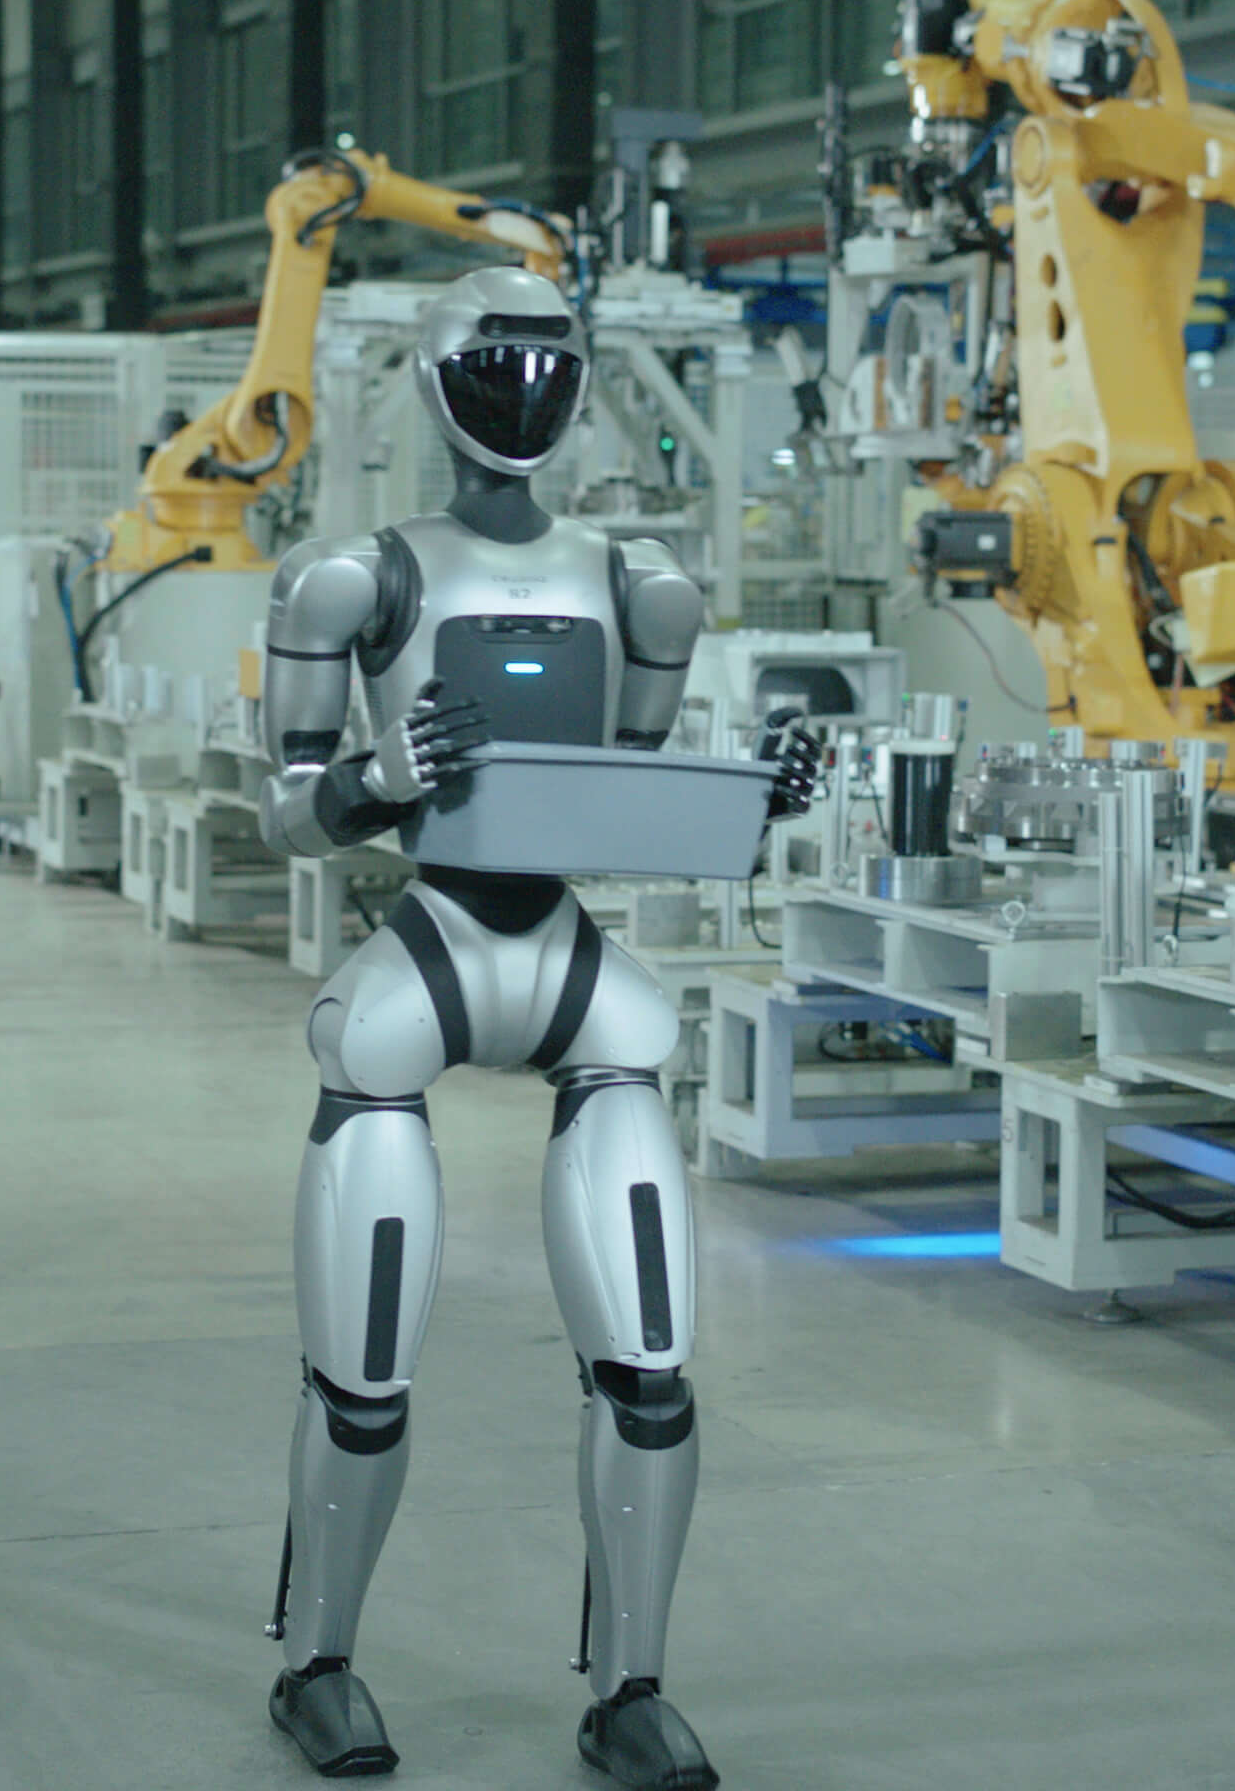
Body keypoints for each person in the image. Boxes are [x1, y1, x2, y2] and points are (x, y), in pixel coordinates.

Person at [252, 266, 819, 1787]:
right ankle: (318, 1663)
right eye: (495, 364)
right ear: (441, 379)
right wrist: (380, 776)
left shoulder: (639, 583)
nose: (524, 390)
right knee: (362, 1373)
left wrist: (749, 804)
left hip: (570, 965)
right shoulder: (355, 580)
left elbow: (617, 792)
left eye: (549, 364)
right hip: (429, 950)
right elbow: (285, 808)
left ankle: (632, 1690)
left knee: (652, 1371)